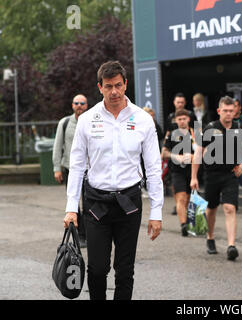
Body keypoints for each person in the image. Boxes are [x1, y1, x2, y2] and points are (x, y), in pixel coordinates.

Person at [63, 61, 163, 300]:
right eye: (108, 86)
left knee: (125, 270)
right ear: (100, 87)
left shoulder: (143, 119)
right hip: (96, 203)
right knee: (97, 268)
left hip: (129, 202)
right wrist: (71, 208)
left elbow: (153, 167)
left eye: (119, 85)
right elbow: (76, 166)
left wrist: (156, 211)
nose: (114, 92)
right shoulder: (87, 119)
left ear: (126, 84)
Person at [191, 96, 242, 261]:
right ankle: (210, 237)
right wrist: (194, 177)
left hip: (230, 174)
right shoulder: (210, 128)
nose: (229, 113)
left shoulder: (239, 127)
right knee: (212, 209)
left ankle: (231, 246)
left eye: (231, 111)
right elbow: (198, 153)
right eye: (225, 111)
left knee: (230, 208)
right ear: (219, 111)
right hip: (212, 174)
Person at [53, 94, 88, 247]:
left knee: (89, 204)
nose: (79, 105)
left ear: (86, 105)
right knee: (74, 204)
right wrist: (57, 168)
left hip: (89, 170)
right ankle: (79, 235)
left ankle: (89, 234)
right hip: (69, 168)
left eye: (82, 103)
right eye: (76, 103)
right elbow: (57, 146)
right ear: (72, 105)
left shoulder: (91, 121)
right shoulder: (65, 123)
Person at [162, 109, 195, 236]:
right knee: (180, 197)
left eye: (184, 119)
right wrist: (176, 156)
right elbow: (163, 153)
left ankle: (187, 219)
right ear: (176, 120)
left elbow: (205, 151)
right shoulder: (171, 135)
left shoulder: (195, 134)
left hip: (192, 171)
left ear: (188, 119)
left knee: (188, 198)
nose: (182, 121)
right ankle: (184, 225)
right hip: (176, 171)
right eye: (179, 119)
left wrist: (193, 156)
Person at [165, 92, 194, 215]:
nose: (180, 104)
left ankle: (184, 206)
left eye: (182, 102)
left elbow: (197, 130)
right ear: (174, 103)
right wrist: (167, 148)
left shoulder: (190, 115)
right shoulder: (170, 117)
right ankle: (177, 203)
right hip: (174, 147)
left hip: (189, 148)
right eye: (178, 102)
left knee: (187, 189)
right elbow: (168, 132)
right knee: (175, 182)